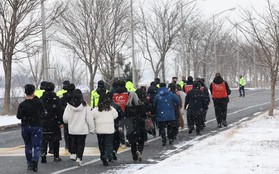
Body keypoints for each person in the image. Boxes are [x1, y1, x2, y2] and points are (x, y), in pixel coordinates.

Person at [63, 89, 95, 166]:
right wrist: (92, 128)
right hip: (82, 129)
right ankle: (79, 158)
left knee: (73, 142)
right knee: (81, 144)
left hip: (72, 129)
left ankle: (73, 153)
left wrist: (69, 121)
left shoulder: (69, 106)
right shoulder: (85, 105)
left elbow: (65, 118)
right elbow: (89, 118)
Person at [16, 84, 44, 172]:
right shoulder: (38, 103)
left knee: (28, 145)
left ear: (25, 92)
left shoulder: (22, 104)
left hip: (25, 127)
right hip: (36, 126)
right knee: (37, 145)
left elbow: (18, 116)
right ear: (33, 92)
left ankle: (29, 163)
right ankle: (35, 160)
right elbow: (43, 113)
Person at [92, 93, 118, 166]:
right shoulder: (111, 109)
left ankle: (103, 155)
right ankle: (107, 155)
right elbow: (116, 115)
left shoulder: (96, 109)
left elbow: (91, 116)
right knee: (108, 143)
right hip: (109, 129)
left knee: (101, 144)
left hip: (100, 129)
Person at [40, 82, 64, 163]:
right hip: (54, 121)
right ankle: (56, 156)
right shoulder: (56, 99)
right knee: (55, 139)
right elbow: (60, 111)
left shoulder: (41, 99)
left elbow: (39, 111)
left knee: (44, 139)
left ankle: (43, 154)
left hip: (44, 121)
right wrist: (61, 121)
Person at [124, 92, 146, 162]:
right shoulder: (141, 105)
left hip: (131, 126)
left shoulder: (127, 106)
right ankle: (139, 151)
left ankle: (134, 156)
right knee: (141, 141)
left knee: (133, 142)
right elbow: (144, 115)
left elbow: (125, 116)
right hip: (140, 125)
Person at [107, 92, 124, 161]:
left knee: (108, 140)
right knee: (116, 140)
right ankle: (114, 150)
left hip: (107, 125)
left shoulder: (104, 106)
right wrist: (121, 125)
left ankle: (109, 152)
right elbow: (121, 116)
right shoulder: (117, 106)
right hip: (116, 124)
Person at [61, 83, 76, 152]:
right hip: (75, 116)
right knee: (74, 131)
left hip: (66, 115)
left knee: (66, 130)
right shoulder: (76, 97)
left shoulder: (64, 96)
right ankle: (73, 144)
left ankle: (67, 144)